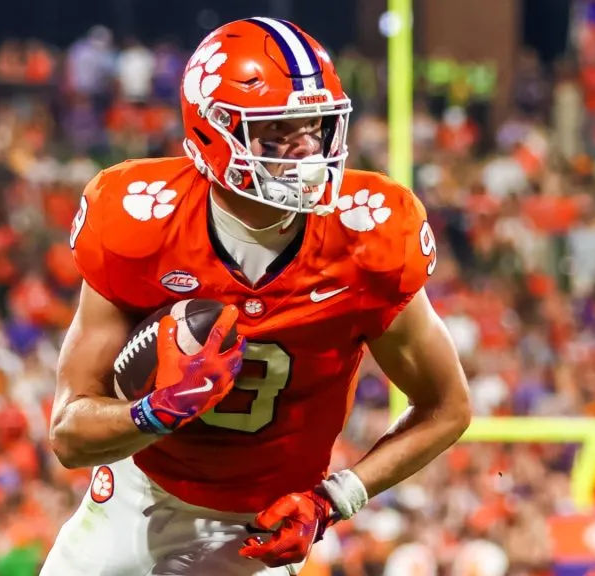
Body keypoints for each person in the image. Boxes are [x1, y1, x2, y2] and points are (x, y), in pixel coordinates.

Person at [43, 17, 471, 576]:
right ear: (210, 134)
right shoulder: (139, 219)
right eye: (276, 132)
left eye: (314, 127)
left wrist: (331, 502)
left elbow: (448, 407)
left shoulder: (369, 237)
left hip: (261, 524)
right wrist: (157, 411)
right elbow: (69, 436)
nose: (305, 150)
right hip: (138, 497)